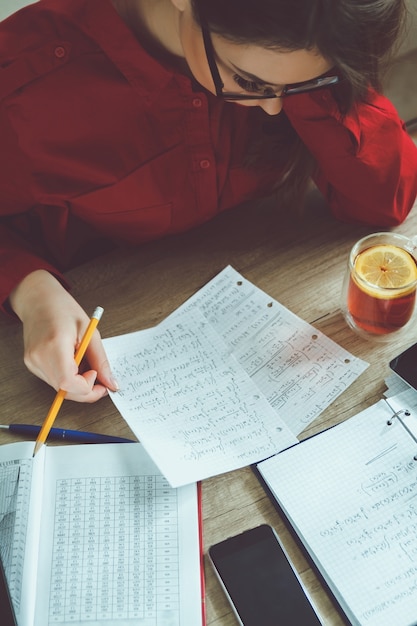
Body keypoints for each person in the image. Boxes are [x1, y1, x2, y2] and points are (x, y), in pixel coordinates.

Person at [1, 0, 416, 403]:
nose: (273, 108)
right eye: (250, 82)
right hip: (97, 317)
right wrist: (30, 289)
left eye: (297, 86)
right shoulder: (25, 81)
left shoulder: (316, 31)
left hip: (272, 275)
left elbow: (385, 201)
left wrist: (306, 80)